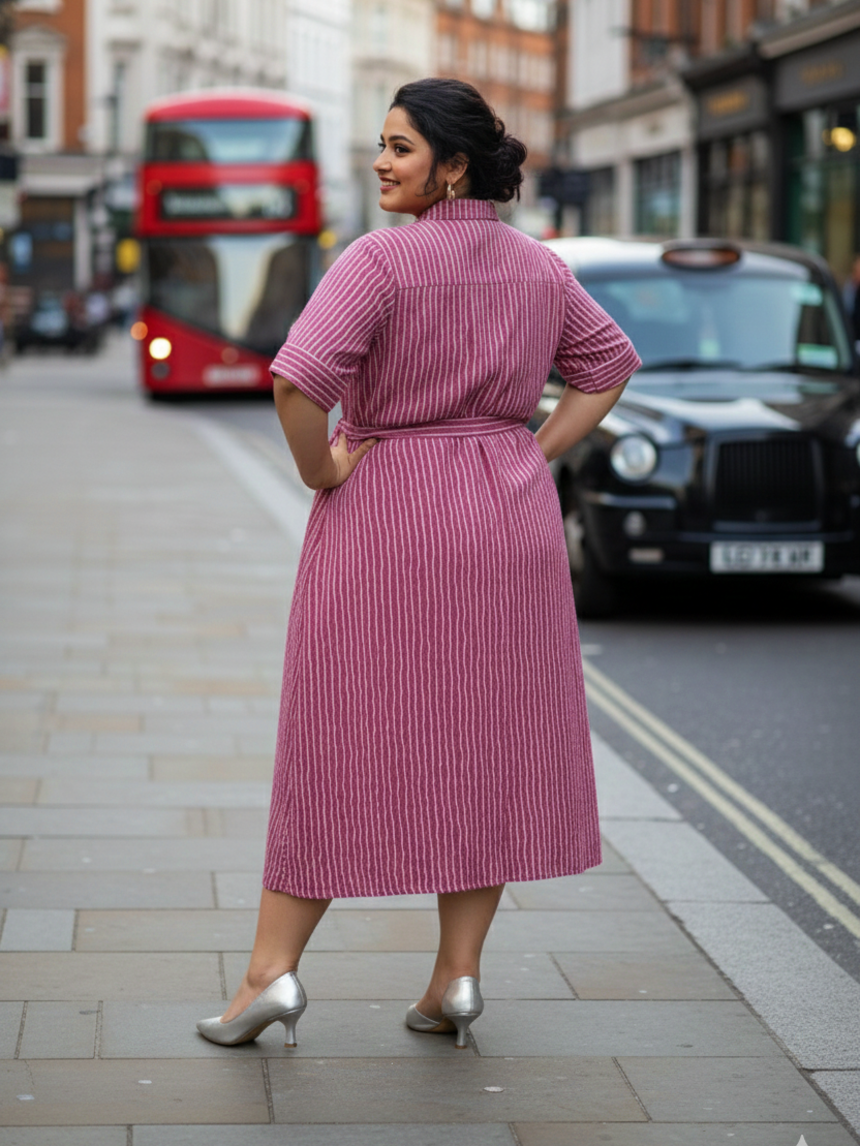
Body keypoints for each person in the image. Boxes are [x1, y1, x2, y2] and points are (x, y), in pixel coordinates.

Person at [196, 77, 641, 1051]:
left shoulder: (379, 261)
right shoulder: (537, 266)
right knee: (486, 743)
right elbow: (607, 366)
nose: (379, 162)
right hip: (509, 522)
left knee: (334, 739)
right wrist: (530, 451)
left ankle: (270, 975)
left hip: (387, 517)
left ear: (453, 166)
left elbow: (296, 384)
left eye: (399, 147)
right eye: (381, 144)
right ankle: (456, 976)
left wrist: (322, 470)